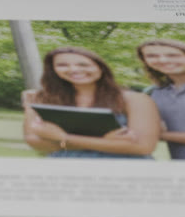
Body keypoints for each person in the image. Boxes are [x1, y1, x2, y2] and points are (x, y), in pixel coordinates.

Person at [23, 46, 159, 159]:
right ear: (53, 70)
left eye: (83, 64)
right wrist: (108, 141)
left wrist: (63, 138)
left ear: (101, 68)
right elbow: (33, 141)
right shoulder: (44, 98)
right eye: (62, 65)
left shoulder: (135, 99)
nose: (73, 69)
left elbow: (143, 147)